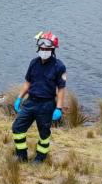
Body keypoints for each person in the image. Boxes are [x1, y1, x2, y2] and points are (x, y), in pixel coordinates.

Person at [12, 31, 67, 164]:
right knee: (17, 128)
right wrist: (19, 98)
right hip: (30, 102)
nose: (43, 50)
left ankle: (40, 158)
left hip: (46, 105)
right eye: (41, 48)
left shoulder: (59, 66)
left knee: (44, 134)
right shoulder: (33, 63)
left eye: (47, 48)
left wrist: (58, 108)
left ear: (52, 49)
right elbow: (27, 83)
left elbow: (61, 89)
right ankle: (21, 156)